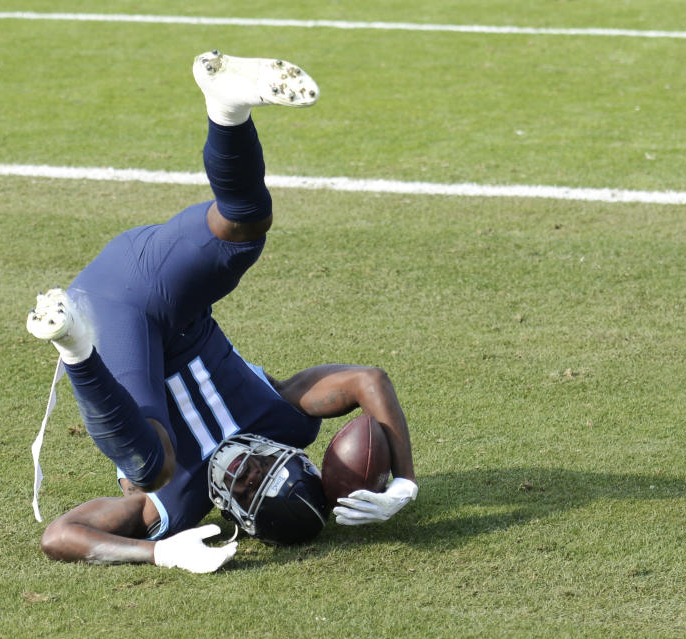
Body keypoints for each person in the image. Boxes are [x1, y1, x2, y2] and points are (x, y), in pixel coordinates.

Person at [26, 51, 418, 573]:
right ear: (287, 455)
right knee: (245, 225)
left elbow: (60, 535)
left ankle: (75, 349)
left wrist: (159, 551)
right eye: (267, 465)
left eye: (250, 488)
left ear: (238, 516)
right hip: (154, 282)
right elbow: (368, 380)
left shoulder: (177, 507)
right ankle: (227, 109)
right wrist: (405, 481)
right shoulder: (281, 422)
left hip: (110, 322)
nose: (247, 469)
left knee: (152, 467)